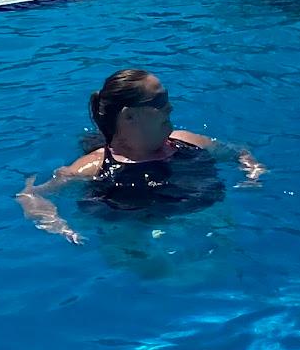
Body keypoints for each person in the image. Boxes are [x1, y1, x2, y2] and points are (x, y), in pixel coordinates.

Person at [18, 71, 262, 245]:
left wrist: (253, 171)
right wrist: (58, 225)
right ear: (130, 116)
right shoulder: (92, 168)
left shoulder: (189, 142)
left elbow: (238, 152)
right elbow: (31, 194)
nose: (170, 108)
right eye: (160, 102)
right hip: (137, 239)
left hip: (207, 230)